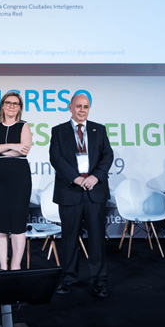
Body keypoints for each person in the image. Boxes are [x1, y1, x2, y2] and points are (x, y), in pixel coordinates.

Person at [49, 93, 114, 298]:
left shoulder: (99, 129)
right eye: (78, 106)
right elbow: (56, 158)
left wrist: (95, 176)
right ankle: (69, 279)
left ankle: (99, 281)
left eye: (86, 107)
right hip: (70, 190)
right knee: (69, 238)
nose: (82, 110)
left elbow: (107, 155)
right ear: (70, 107)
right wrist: (76, 178)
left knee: (97, 238)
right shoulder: (58, 131)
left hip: (94, 190)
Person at [0, 92, 32, 271]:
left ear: (19, 107)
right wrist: (13, 145)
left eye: (16, 104)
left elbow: (24, 151)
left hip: (19, 178)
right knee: (0, 223)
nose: (12, 106)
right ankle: (3, 267)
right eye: (8, 103)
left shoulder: (24, 126)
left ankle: (15, 266)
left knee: (18, 223)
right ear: (2, 105)